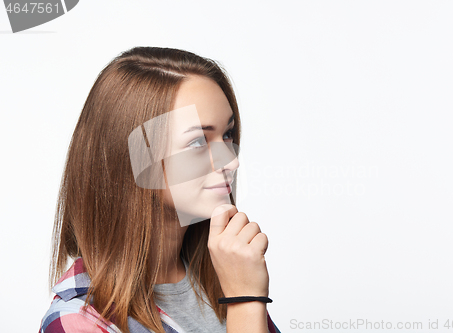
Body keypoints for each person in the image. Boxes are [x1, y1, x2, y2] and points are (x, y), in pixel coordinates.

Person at [39, 46, 280, 333]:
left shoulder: (224, 276)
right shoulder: (78, 323)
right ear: (132, 159)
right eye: (198, 142)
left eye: (227, 134)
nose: (231, 160)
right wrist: (246, 301)